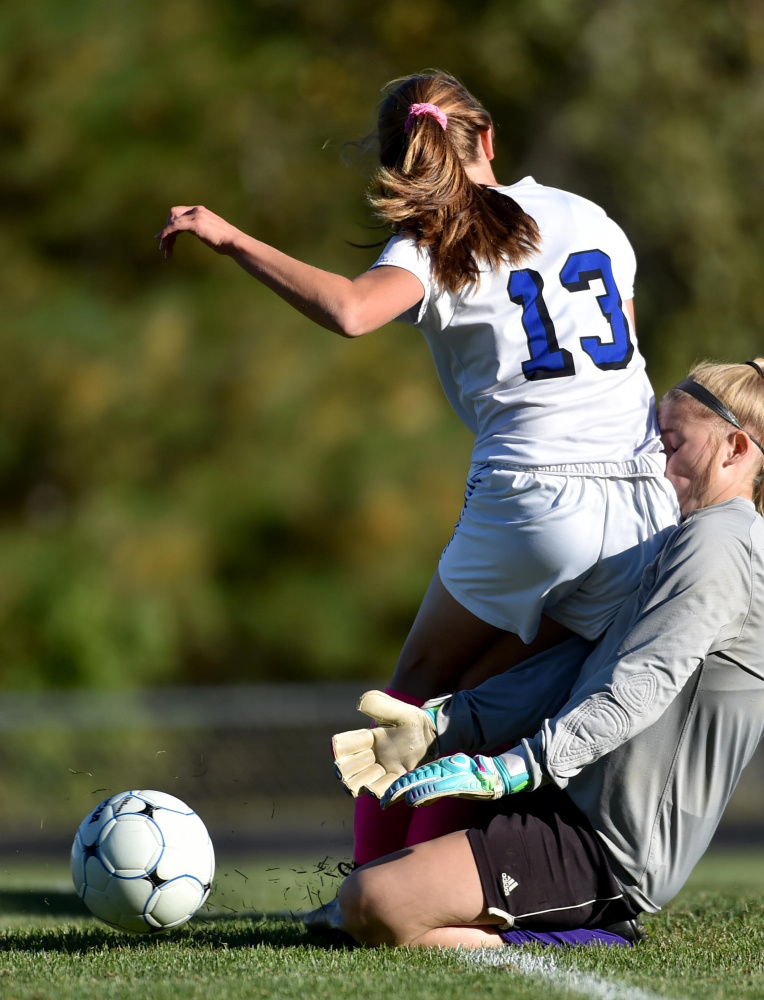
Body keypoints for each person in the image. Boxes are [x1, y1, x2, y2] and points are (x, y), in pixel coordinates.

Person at [156, 71, 678, 863]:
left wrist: (232, 238)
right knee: (509, 705)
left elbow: (352, 311)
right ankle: (463, 880)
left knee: (417, 697)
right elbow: (627, 367)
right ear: (488, 138)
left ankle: (376, 878)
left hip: (533, 497)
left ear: (403, 165)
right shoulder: (591, 217)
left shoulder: (439, 234)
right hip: (645, 505)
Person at [332, 358, 764, 948]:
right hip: (566, 802)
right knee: (367, 896)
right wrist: (444, 725)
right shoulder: (685, 541)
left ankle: (599, 932)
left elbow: (637, 685)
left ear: (735, 447)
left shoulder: (721, 546)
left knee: (376, 906)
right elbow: (578, 667)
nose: (659, 466)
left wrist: (515, 766)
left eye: (672, 444)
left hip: (606, 847)